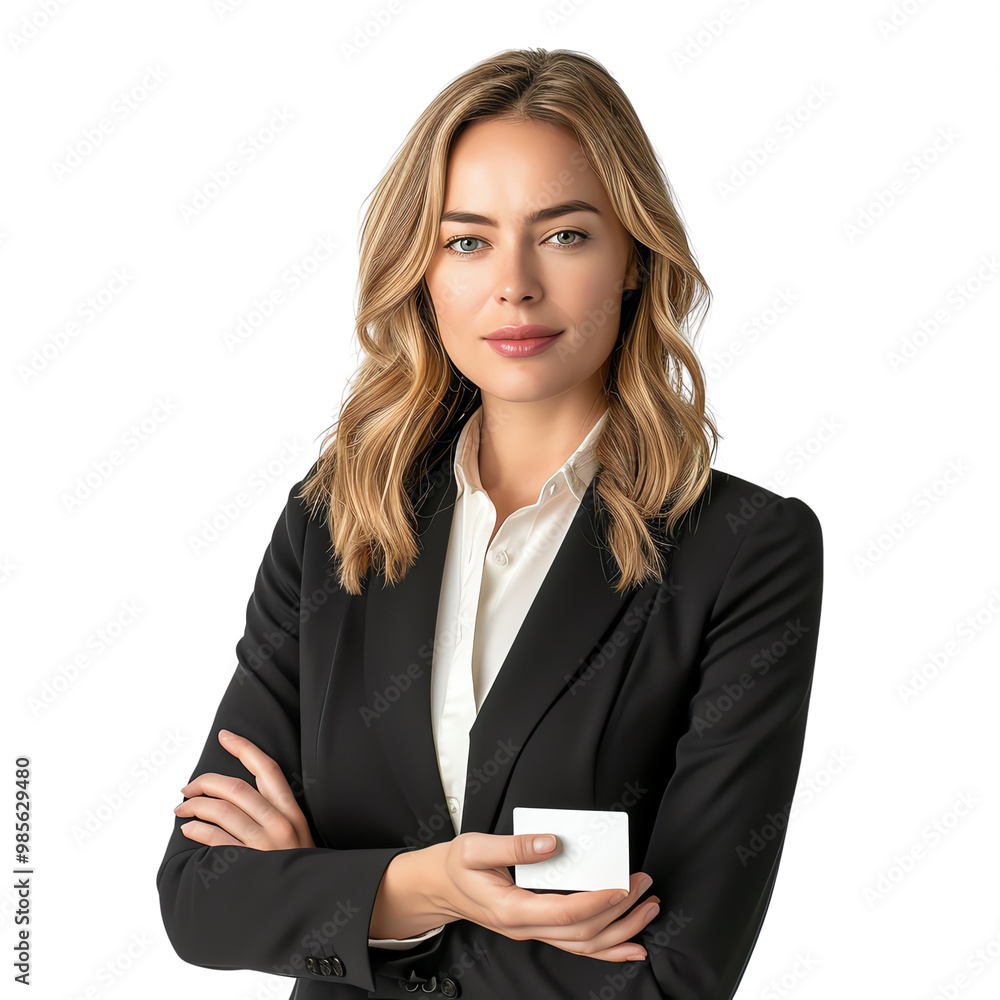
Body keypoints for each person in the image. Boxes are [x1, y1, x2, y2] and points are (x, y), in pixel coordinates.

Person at [157, 47, 824, 1000]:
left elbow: (680, 970)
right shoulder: (336, 517)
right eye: (466, 240)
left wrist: (338, 894)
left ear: (634, 256)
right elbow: (200, 898)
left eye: (564, 236)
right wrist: (427, 887)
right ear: (422, 271)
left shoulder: (746, 550)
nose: (513, 284)